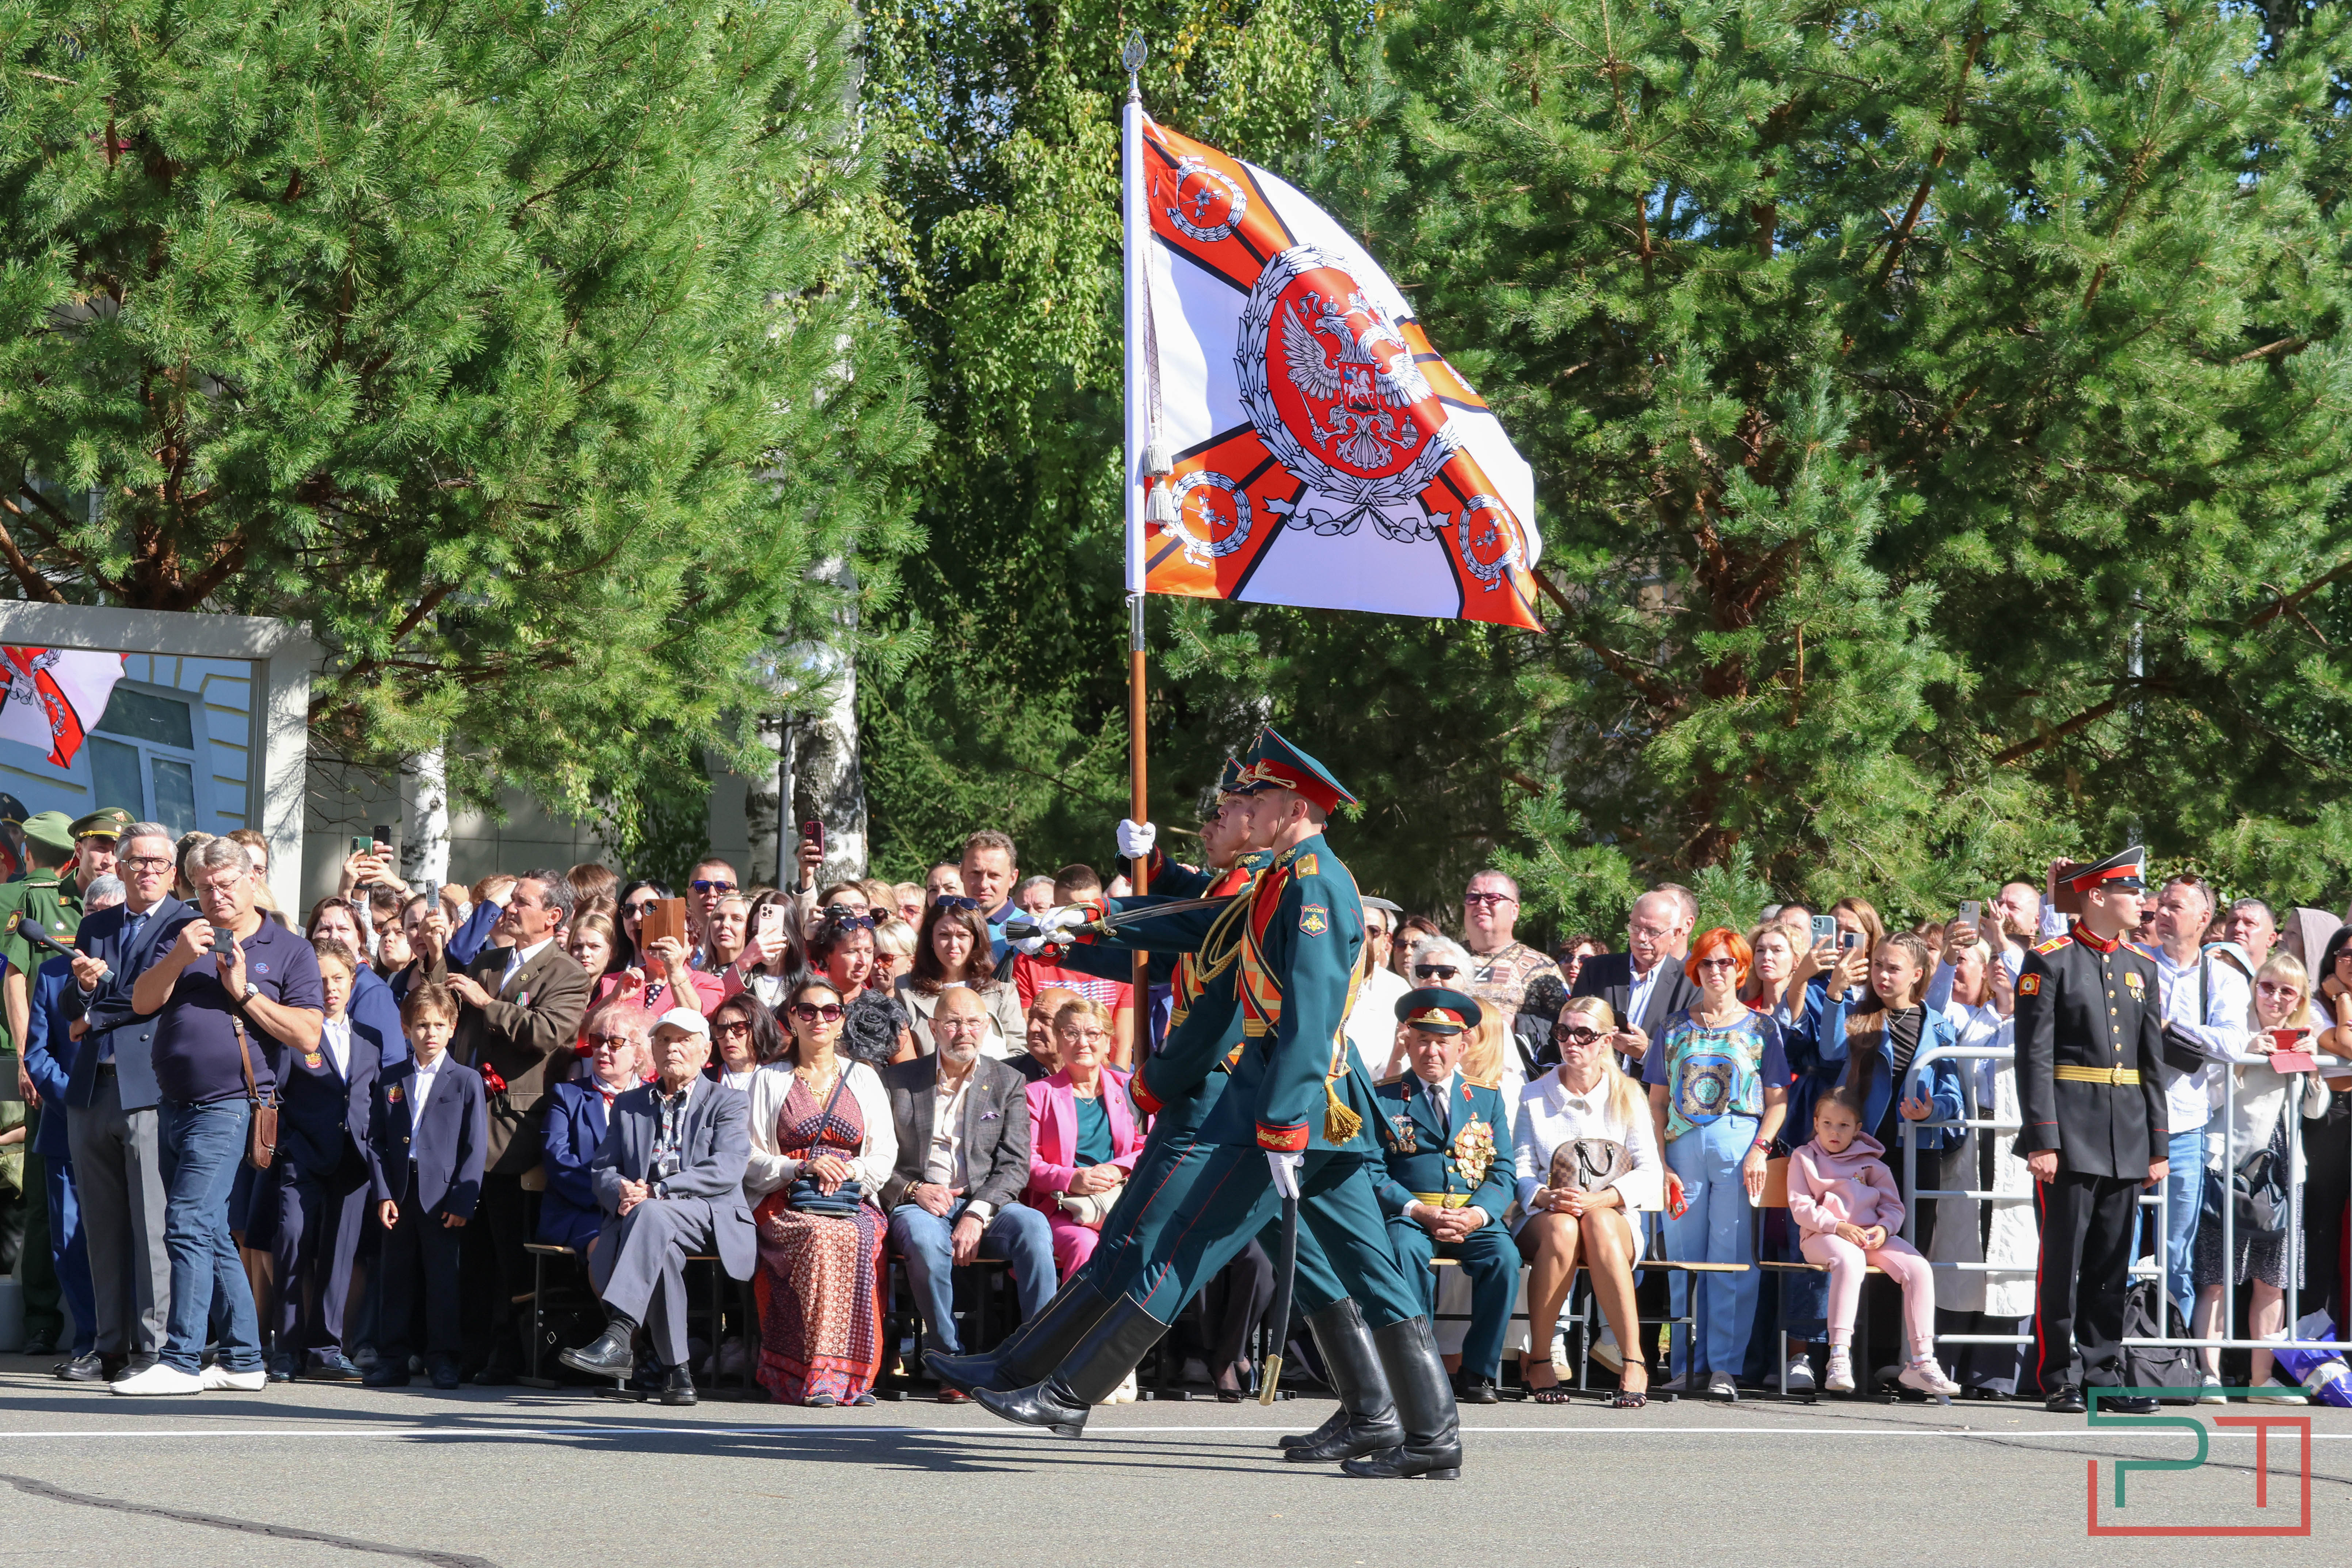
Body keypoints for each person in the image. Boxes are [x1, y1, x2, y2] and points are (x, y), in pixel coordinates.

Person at [977, 728, 1458, 1481]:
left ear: (1293, 807)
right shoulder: (1282, 878)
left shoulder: (1315, 885)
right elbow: (1194, 925)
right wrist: (1083, 926)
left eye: (1258, 798)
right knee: (1366, 1269)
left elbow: (1310, 1014)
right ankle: (1430, 1433)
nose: (1245, 809)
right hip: (1305, 1107)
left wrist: (1284, 1120)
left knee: (1187, 1246)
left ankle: (1068, 1396)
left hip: (1293, 1105)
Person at [110, 836, 323, 1397]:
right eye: (204, 887)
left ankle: (180, 1360)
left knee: (185, 1221)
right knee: (209, 1231)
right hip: (173, 1103)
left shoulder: (289, 948)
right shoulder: (182, 934)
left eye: (226, 884)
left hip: (231, 1105)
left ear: (253, 880)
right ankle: (244, 1360)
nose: (216, 896)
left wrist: (245, 991)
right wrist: (180, 956)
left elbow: (307, 1035)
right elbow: (141, 1001)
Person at [419, 869, 592, 1384]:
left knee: (506, 1249)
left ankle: (507, 1353)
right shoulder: (489, 961)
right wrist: (436, 957)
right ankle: (464, 1351)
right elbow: (441, 1007)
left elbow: (547, 1032)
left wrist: (487, 1004)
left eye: (522, 901)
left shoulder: (566, 973)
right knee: (467, 1249)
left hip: (513, 1130)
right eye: (510, 900)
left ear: (553, 916)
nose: (510, 909)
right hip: (464, 1122)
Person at [2015, 847, 2170, 1415]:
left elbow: (2150, 1063)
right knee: (2062, 1261)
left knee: (2110, 1263)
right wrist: (2043, 1137)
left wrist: (2156, 1143)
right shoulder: (2049, 961)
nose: (2140, 901)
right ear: (2096, 896)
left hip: (2124, 1133)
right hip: (2069, 1131)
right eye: (2131, 892)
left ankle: (2103, 1373)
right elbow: (2032, 1057)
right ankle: (2057, 1375)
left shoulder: (2141, 966)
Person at [559, 1008, 755, 1407]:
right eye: (664, 1040)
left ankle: (620, 1335)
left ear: (705, 1051)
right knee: (659, 1246)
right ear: (652, 1049)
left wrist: (658, 1189)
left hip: (709, 1213)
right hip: (647, 1218)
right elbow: (603, 1169)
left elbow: (727, 1168)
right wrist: (622, 1191)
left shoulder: (729, 1101)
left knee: (650, 1215)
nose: (672, 1048)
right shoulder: (630, 1104)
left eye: (683, 1040)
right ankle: (678, 1374)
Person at [880, 985, 1054, 1400]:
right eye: (953, 1022)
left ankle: (1042, 1357)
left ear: (987, 1026)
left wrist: (978, 1212)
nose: (964, 1032)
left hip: (984, 1202)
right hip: (920, 1202)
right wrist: (914, 1189)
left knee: (1033, 1226)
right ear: (933, 1027)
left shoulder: (1007, 1080)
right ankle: (949, 1359)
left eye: (974, 1022)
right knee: (924, 1239)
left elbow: (1014, 1165)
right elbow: (877, 1158)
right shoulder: (897, 1081)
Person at [58, 821, 184, 1383]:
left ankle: (155, 1348)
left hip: (149, 1087)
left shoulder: (184, 925)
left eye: (158, 862)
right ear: (121, 867)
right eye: (138, 861)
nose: (148, 871)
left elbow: (151, 1001)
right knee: (102, 1225)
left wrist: (99, 1002)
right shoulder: (97, 923)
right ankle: (109, 1345)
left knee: (152, 1224)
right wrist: (85, 988)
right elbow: (69, 1006)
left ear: (173, 872)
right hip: (92, 1087)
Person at [1644, 927, 1788, 1399]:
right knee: (1684, 1260)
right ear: (1695, 968)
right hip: (1681, 1150)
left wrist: (1759, 1150)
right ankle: (1685, 1364)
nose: (1716, 970)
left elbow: (1777, 1101)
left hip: (1737, 1148)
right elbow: (1656, 1102)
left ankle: (1725, 1367)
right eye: (1707, 962)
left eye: (1726, 962)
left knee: (1732, 1259)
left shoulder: (1762, 1028)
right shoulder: (1671, 1028)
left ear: (1740, 968)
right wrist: (1659, 1162)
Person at [744, 976, 898, 1406]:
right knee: (819, 1237)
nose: (819, 1020)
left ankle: (854, 1378)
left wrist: (851, 1171)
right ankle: (815, 1375)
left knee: (856, 1234)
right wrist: (798, 1167)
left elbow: (885, 1152)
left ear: (842, 1020)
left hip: (850, 1198)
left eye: (830, 1011)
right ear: (791, 1019)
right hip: (787, 1197)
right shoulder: (768, 1079)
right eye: (808, 1011)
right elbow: (748, 1154)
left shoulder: (863, 1078)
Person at [2191, 951, 2329, 1402]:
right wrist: (2244, 1054)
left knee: (2272, 1280)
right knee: (2214, 1277)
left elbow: (2315, 1111)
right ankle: (2208, 1375)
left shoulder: (2302, 1038)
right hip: (2226, 1163)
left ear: (2299, 1000)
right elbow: (2207, 1096)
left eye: (2287, 991)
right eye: (2267, 987)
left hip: (2283, 1170)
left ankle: (2260, 1380)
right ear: (2254, 989)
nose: (2275, 997)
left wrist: (2312, 1068)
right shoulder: (2235, 1030)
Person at [1371, 988, 1518, 1404]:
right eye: (1422, 1040)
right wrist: (1419, 1210)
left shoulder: (1485, 1097)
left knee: (1504, 1259)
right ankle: (1418, 1368)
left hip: (1469, 1216)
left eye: (1442, 1042)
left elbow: (1502, 1170)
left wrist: (1477, 1215)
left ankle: (1478, 1371)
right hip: (1411, 1215)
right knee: (1404, 1250)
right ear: (1407, 1043)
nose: (1431, 1052)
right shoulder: (1383, 1096)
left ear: (1462, 1047)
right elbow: (1371, 1169)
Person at [1513, 994, 1660, 1407]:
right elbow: (1520, 1169)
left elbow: (1650, 1171)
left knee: (1597, 1222)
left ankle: (1633, 1359)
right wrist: (1546, 1196)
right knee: (1564, 1228)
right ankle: (1540, 1358)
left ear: (1606, 1041)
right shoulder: (1532, 1095)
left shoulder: (1628, 1094)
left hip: (1611, 1217)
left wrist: (1602, 1199)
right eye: (1563, 1032)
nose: (1571, 1042)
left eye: (1583, 1034)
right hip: (1547, 1216)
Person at [264, 936, 386, 1382]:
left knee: (340, 1254)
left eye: (338, 978)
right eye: (320, 981)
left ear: (353, 980)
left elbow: (372, 1100)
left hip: (353, 1162)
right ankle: (286, 1348)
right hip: (303, 1156)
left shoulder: (371, 1039)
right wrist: (288, 1144)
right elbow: (275, 1093)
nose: (330, 988)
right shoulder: (294, 1036)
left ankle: (325, 1349)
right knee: (292, 1242)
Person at [1787, 1088, 1962, 1397]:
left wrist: (1884, 1228)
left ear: (1857, 1129)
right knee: (1849, 1260)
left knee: (1918, 1267)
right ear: (1815, 1123)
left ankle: (1922, 1362)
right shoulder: (1803, 1157)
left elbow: (1893, 1206)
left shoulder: (1873, 1163)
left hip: (1871, 1237)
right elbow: (1801, 1207)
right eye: (1827, 1123)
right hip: (1822, 1236)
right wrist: (1838, 1226)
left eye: (1844, 1125)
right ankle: (1838, 1357)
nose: (1834, 1132)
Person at [2135, 874, 2252, 1324]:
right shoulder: (2134, 965)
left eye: (2174, 906)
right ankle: (2115, 1350)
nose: (2161, 914)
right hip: (2126, 1121)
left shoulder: (2222, 978)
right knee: (2118, 1246)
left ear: (2203, 918)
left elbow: (2233, 1043)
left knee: (2176, 1251)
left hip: (2184, 1125)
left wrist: (2172, 1031)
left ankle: (2173, 1351)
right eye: (2159, 906)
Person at [1923, 923, 2033, 1398]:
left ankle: (1997, 1375)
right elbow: (1930, 1009)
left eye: (2008, 961)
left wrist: (2006, 943)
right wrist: (1949, 957)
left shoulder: (2038, 1022)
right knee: (1961, 1247)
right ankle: (1947, 1365)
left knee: (2010, 1250)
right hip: (1972, 1144)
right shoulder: (1971, 1019)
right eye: (1995, 961)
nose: (2001, 967)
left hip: (2017, 1146)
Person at [362, 984, 487, 1389]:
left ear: (452, 1028)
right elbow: (376, 1140)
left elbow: (475, 1144)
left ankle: (444, 1358)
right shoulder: (392, 1078)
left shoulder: (465, 1080)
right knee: (395, 1277)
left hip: (443, 1194)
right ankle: (393, 1358)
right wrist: (383, 1192)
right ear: (405, 1029)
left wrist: (463, 1199)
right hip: (401, 1190)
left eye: (438, 1025)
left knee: (443, 1279)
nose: (429, 1033)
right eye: (420, 1025)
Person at [23, 873, 120, 1378]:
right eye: (93, 914)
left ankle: (133, 1342)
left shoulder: (136, 971)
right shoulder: (53, 973)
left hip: (126, 1127)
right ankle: (90, 1342)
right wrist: (76, 1101)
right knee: (71, 1242)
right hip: (66, 1127)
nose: (99, 925)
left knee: (126, 1237)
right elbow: (37, 1055)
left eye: (111, 915)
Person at [1024, 997, 1146, 1281]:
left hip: (1123, 1202)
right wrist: (1071, 1179)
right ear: (1058, 1040)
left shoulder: (1131, 1088)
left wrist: (1118, 1168)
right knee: (1084, 1245)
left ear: (1107, 1041)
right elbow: (1026, 1163)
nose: (1082, 1042)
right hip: (1063, 1208)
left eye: (1093, 1033)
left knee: (1148, 1241)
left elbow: (1150, 1144)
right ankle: (1079, 1313)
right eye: (1071, 1033)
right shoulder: (1036, 1095)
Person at [541, 1012, 648, 1253]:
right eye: (598, 1041)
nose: (602, 1050)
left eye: (615, 1043)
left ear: (639, 1054)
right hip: (582, 1209)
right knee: (608, 1250)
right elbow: (558, 1160)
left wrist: (642, 1195)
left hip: (642, 1208)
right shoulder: (568, 1095)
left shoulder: (655, 1099)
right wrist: (612, 1196)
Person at [1569, 890, 1697, 1071]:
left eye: (1653, 931)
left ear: (1675, 935)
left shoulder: (1692, 983)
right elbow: (1569, 1028)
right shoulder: (1596, 970)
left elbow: (1693, 1056)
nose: (1641, 937)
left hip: (1652, 1088)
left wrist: (1646, 1052)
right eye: (1636, 927)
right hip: (1596, 1082)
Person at [896, 900, 1023, 1058]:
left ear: (976, 940)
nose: (953, 945)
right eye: (944, 935)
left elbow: (1019, 1051)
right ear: (930, 939)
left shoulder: (1001, 988)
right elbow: (903, 1057)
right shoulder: (904, 989)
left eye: (963, 936)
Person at [1459, 870, 1562, 1034]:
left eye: (1493, 898)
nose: (1481, 904)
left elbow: (1562, 1029)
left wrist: (1517, 1024)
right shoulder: (1446, 960)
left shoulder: (1542, 968)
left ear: (1514, 911)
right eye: (1473, 898)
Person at [1344, 898, 1413, 1080]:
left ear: (1386, 940)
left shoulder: (1399, 989)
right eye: (1356, 928)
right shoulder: (1326, 982)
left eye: (1373, 931)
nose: (1363, 937)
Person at [960, 830, 1020, 960]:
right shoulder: (945, 927)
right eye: (976, 873)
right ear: (962, 874)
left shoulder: (1032, 932)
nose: (984, 884)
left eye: (994, 875)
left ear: (1013, 878)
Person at [708, 994, 784, 1091]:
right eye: (721, 1029)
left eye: (739, 1027)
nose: (728, 1036)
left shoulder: (781, 1080)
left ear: (760, 1030)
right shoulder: (703, 1082)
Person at [1015, 987, 1082, 1084]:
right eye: (1031, 1017)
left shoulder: (1100, 1075)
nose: (1032, 1028)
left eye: (1045, 1018)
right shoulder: (1008, 1077)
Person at [2226, 899, 2279, 968]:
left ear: (2270, 939)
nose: (2238, 928)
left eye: (2249, 923)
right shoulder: (2212, 969)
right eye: (2233, 922)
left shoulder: (2277, 975)